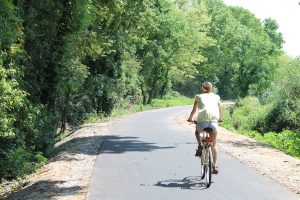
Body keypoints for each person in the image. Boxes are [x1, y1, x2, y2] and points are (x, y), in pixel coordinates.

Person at [187, 81, 222, 174]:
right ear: (212, 88)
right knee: (214, 144)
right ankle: (214, 166)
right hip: (214, 122)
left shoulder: (198, 96)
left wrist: (190, 119)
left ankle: (199, 146)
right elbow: (219, 109)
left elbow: (194, 109)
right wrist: (220, 119)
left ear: (202, 88)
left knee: (197, 132)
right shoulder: (216, 97)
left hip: (202, 122)